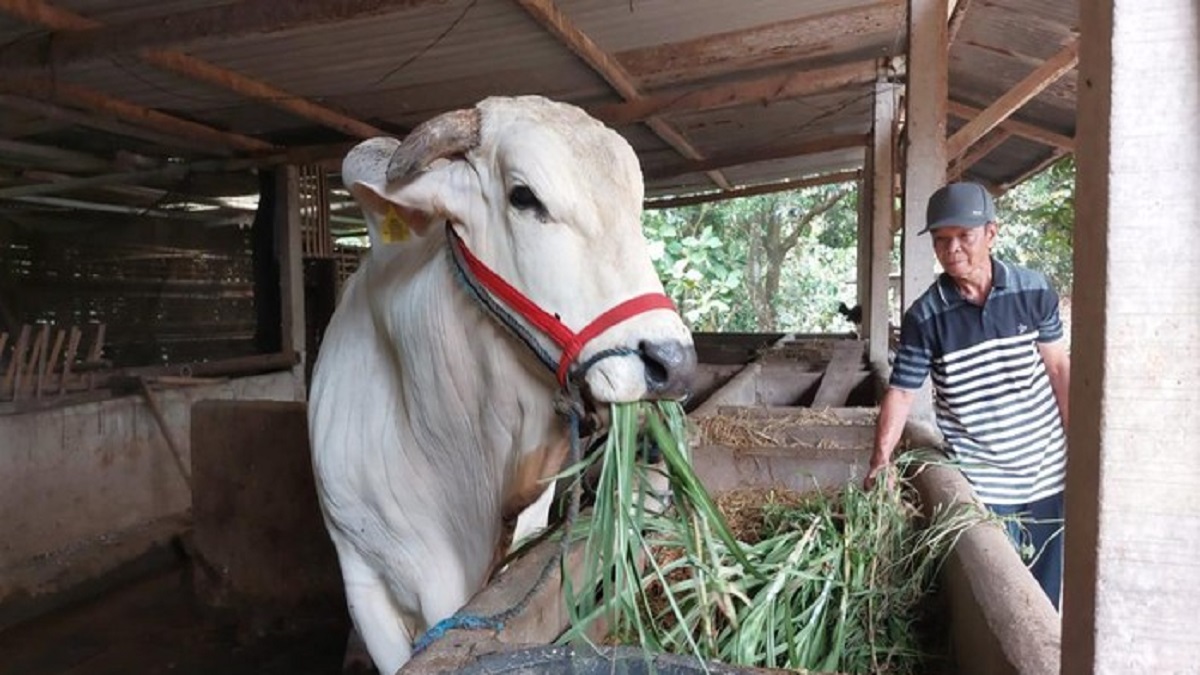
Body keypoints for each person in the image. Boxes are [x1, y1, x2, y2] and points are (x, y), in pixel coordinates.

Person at [864, 181, 1071, 610]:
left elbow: (1058, 368)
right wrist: (880, 461)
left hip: (1048, 471)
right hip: (983, 483)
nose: (952, 249)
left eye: (964, 236)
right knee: (1000, 595)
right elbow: (902, 393)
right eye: (942, 240)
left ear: (992, 234)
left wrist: (1082, 443)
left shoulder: (1034, 291)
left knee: (1046, 596)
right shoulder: (926, 316)